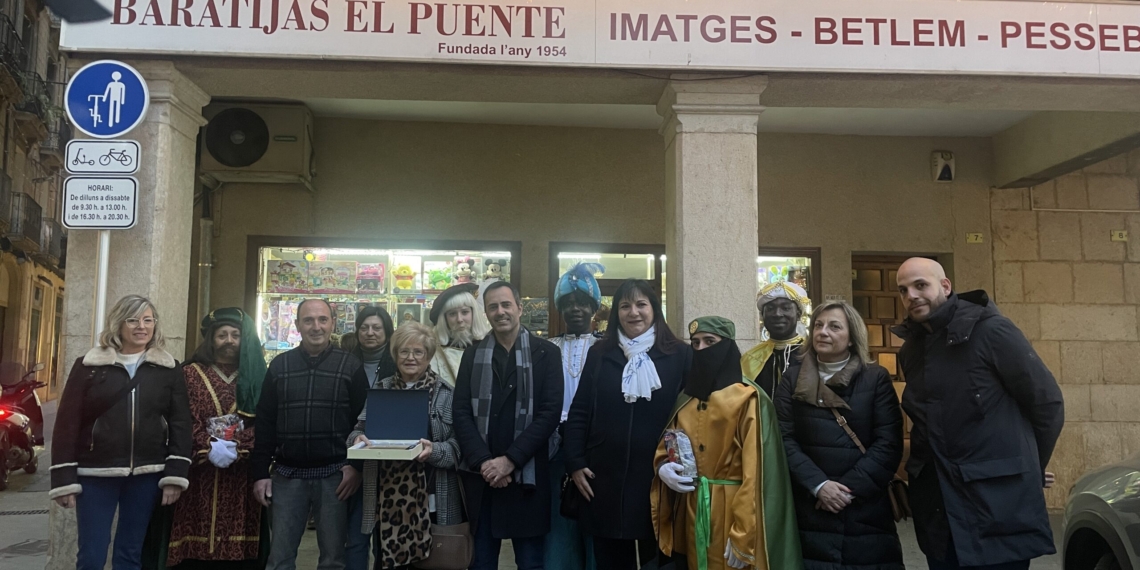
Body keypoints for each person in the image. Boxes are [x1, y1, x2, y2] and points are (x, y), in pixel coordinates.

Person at [893, 258, 1064, 570]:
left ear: (945, 287)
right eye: (904, 290)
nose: (912, 295)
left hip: (996, 507)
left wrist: (1029, 467)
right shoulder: (910, 351)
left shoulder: (992, 331)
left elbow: (1046, 403)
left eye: (921, 285)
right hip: (938, 510)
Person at [50, 294, 192, 570]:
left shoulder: (168, 369)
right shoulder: (88, 366)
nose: (142, 326)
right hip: (95, 475)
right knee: (91, 555)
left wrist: (175, 473)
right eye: (133, 320)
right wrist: (63, 477)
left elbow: (180, 423)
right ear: (118, 324)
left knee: (130, 554)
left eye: (148, 320)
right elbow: (68, 422)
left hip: (147, 475)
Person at [652, 316, 802, 570]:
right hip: (692, 506)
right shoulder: (685, 399)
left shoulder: (748, 399)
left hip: (733, 509)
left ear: (728, 346)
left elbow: (756, 474)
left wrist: (744, 535)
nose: (700, 349)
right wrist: (663, 467)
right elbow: (670, 443)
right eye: (695, 343)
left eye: (710, 341)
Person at [563, 279, 690, 569]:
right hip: (604, 478)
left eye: (641, 304)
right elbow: (580, 410)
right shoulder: (600, 353)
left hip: (659, 478)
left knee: (658, 559)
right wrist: (575, 461)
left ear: (654, 309)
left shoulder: (679, 355)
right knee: (610, 560)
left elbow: (693, 417)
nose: (634, 312)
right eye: (625, 306)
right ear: (616, 313)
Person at [775, 302, 905, 570]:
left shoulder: (875, 378)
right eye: (819, 326)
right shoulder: (792, 378)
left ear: (851, 337)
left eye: (834, 327)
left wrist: (846, 491)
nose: (823, 332)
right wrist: (820, 486)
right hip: (811, 507)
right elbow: (783, 438)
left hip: (864, 509)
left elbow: (888, 443)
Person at [452, 280, 563, 570]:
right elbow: (461, 411)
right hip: (483, 478)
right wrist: (485, 463)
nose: (500, 312)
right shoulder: (473, 355)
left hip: (527, 479)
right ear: (486, 314)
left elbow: (549, 414)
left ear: (519, 308)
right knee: (481, 562)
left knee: (531, 563)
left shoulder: (547, 354)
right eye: (493, 307)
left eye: (506, 305)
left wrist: (510, 460)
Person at [251, 298, 368, 570]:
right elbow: (266, 422)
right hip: (286, 476)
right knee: (280, 558)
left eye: (322, 320)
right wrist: (259, 474)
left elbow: (363, 423)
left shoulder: (350, 367)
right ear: (297, 325)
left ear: (332, 324)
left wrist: (356, 467)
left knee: (333, 559)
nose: (316, 327)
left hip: (336, 477)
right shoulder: (279, 367)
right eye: (308, 320)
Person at [349, 322, 463, 569]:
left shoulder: (446, 394)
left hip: (432, 498)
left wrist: (434, 451)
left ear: (429, 356)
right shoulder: (381, 389)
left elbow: (458, 446)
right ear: (395, 355)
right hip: (385, 501)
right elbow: (357, 431)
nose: (410, 357)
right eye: (404, 351)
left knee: (432, 564)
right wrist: (357, 440)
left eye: (418, 352)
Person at [166, 308, 269, 570]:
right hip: (200, 473)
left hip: (242, 474)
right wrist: (208, 446)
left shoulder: (257, 377)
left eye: (236, 335)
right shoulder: (189, 373)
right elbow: (182, 417)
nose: (229, 340)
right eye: (222, 334)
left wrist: (240, 446)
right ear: (211, 338)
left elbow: (267, 420)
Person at [546, 263, 604, 570]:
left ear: (594, 308)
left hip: (594, 449)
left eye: (582, 303)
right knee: (559, 528)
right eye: (568, 304)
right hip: (554, 449)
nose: (575, 309)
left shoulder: (608, 349)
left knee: (597, 530)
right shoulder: (546, 348)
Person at [341, 305, 397, 570]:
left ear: (387, 331)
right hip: (353, 458)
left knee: (386, 539)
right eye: (364, 327)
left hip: (392, 463)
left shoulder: (399, 362)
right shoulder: (345, 362)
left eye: (377, 327)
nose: (370, 333)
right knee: (356, 536)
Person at [741, 281, 810, 398]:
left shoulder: (812, 354)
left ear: (798, 314)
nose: (777, 314)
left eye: (786, 308)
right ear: (762, 315)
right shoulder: (750, 358)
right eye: (771, 308)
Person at [430, 283, 490, 386]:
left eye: (465, 312)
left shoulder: (488, 345)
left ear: (473, 313)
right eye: (452, 314)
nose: (459, 320)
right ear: (444, 319)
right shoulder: (434, 350)